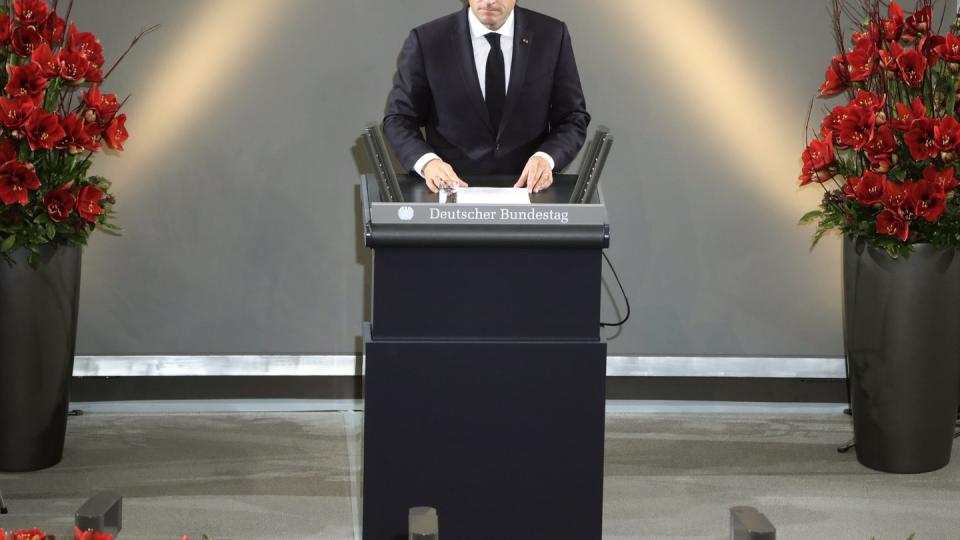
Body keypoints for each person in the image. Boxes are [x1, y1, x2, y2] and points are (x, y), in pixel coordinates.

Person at [383, 0, 590, 193]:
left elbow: (573, 118)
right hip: (450, 195)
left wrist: (546, 158)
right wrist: (428, 163)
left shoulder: (551, 36)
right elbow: (399, 119)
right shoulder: (428, 40)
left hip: (529, 193)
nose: (489, 0)